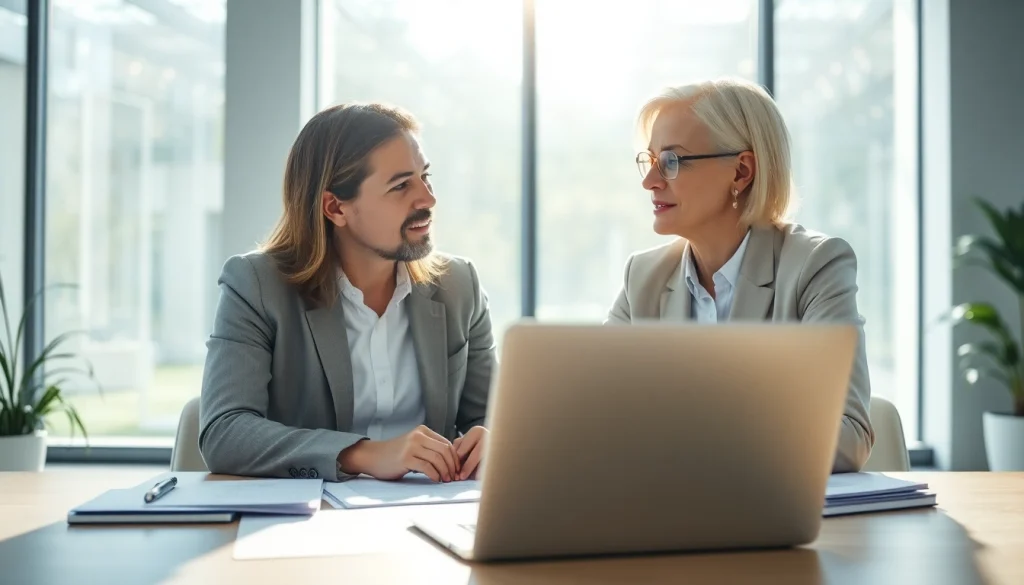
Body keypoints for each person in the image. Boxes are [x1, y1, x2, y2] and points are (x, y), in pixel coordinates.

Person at [199, 103, 495, 483]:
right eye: (401, 185)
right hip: (308, 522)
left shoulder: (458, 285)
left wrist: (491, 437)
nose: (427, 199)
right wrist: (364, 454)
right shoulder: (256, 285)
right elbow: (225, 432)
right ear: (335, 207)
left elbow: (489, 416)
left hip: (430, 513)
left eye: (426, 176)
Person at [606, 78, 874, 473]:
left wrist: (685, 435)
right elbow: (593, 414)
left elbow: (848, 437)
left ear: (741, 171)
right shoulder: (642, 277)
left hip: (775, 519)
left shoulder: (816, 265)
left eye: (672, 161)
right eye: (650, 161)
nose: (650, 181)